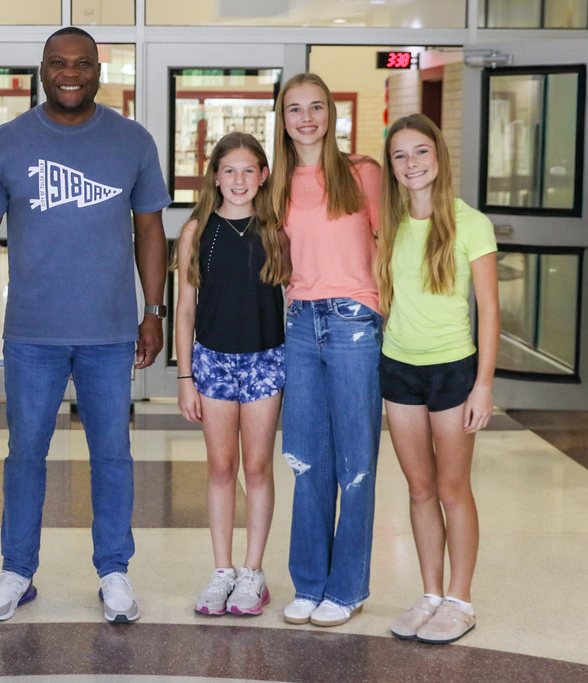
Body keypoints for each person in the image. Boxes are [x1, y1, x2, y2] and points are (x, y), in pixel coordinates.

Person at [0, 27, 170, 624]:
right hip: (32, 334)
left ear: (100, 70)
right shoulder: (8, 142)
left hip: (110, 333)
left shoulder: (132, 140)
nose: (70, 73)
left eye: (82, 63)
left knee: (113, 454)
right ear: (42, 68)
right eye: (59, 62)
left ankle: (114, 572)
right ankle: (16, 571)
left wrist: (152, 312)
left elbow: (151, 230)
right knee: (25, 454)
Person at [375, 113, 499, 644]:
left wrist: (484, 385)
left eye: (420, 152)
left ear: (438, 156)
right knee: (420, 488)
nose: (411, 164)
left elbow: (490, 310)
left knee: (452, 489)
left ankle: (460, 600)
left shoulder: (470, 222)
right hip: (398, 367)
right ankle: (429, 594)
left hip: (453, 370)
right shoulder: (389, 220)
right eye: (400, 155)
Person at [269, 73, 383, 627]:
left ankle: (349, 586)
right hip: (298, 323)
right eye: (295, 109)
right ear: (282, 118)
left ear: (331, 113)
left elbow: (390, 247)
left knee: (355, 463)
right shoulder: (276, 184)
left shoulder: (362, 174)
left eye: (316, 107)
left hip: (354, 323)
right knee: (306, 460)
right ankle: (310, 582)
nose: (306, 118)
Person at [173, 132, 284, 616]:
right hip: (212, 362)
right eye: (229, 170)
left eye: (248, 170)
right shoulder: (197, 231)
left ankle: (252, 572)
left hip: (266, 360)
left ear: (262, 176)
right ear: (215, 176)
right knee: (221, 468)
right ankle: (222, 571)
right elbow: (184, 309)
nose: (239, 180)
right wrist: (184, 378)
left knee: (257, 467)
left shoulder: (277, 229)